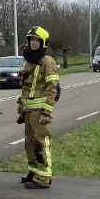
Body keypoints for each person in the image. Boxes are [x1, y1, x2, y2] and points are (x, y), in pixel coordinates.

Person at [17, 26, 60, 189]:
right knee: (29, 143)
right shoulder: (29, 60)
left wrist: (46, 112)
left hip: (40, 111)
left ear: (43, 43)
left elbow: (52, 88)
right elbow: (27, 87)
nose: (33, 43)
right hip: (28, 110)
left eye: (37, 40)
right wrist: (21, 105)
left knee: (41, 143)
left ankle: (43, 177)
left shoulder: (47, 61)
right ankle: (34, 172)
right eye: (31, 40)